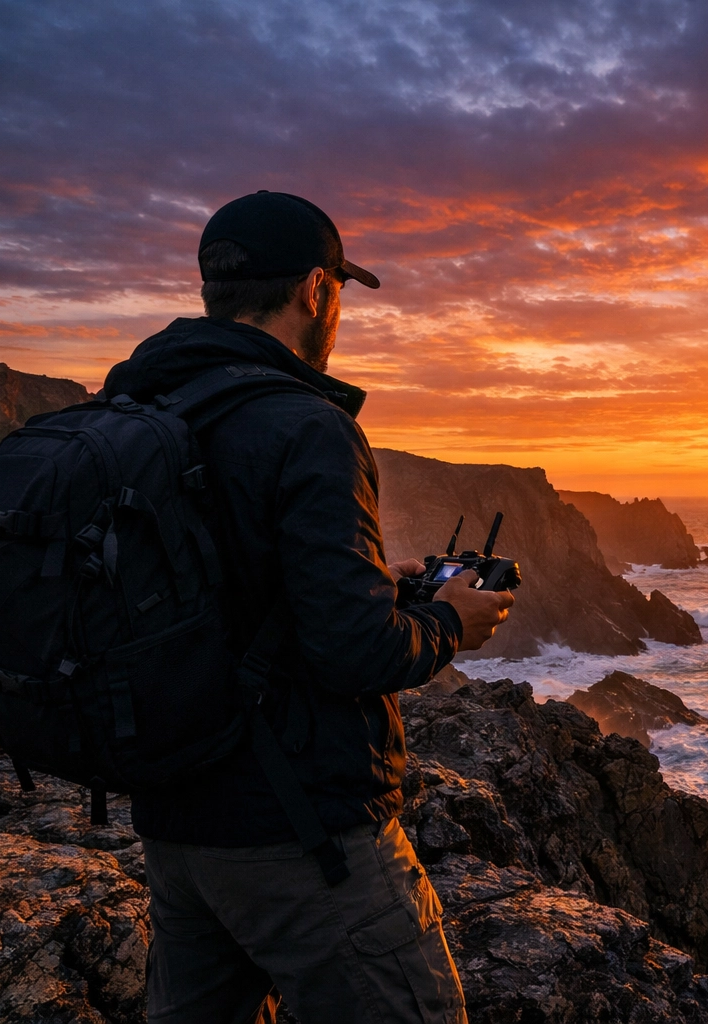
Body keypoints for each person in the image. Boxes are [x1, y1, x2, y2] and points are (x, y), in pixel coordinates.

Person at [101, 191, 512, 1023]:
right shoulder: (305, 424)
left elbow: (218, 592)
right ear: (317, 290)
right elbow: (355, 650)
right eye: (340, 294)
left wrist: (364, 578)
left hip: (176, 825)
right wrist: (448, 623)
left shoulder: (142, 408)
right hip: (298, 834)